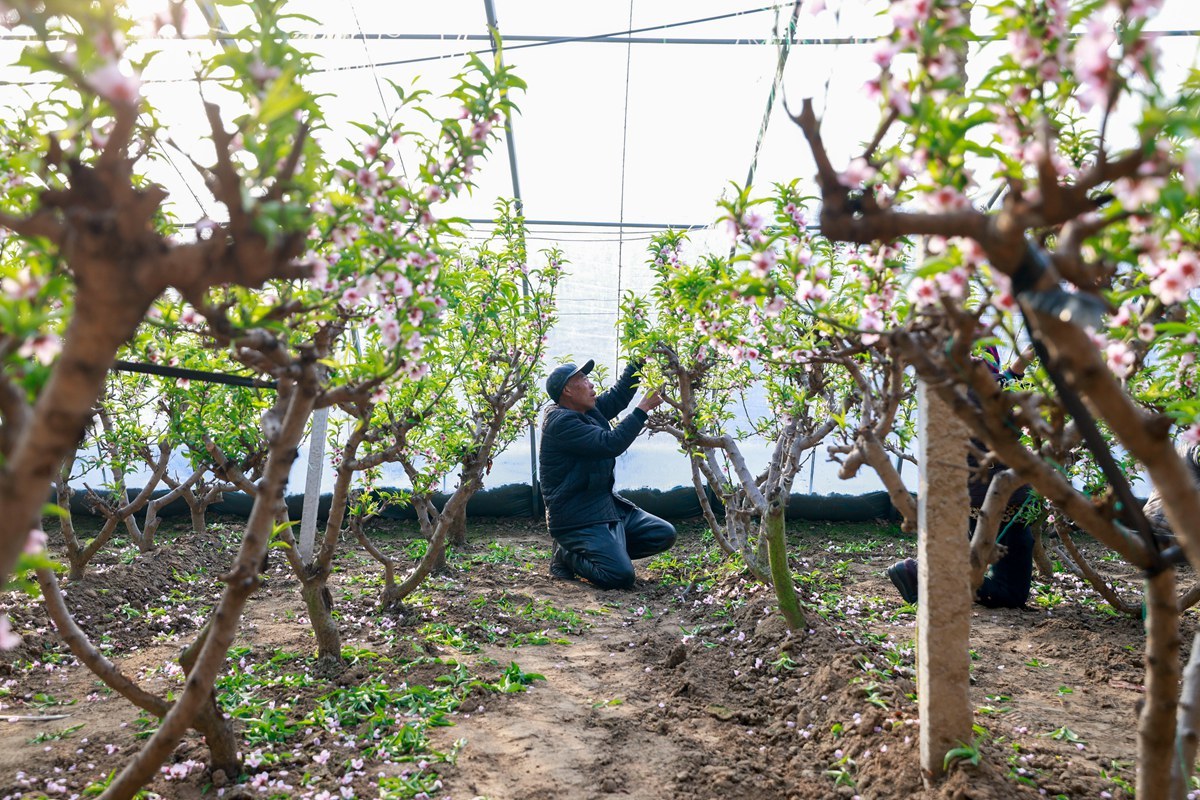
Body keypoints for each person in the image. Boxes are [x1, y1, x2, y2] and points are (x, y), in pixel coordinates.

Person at [887, 345, 1036, 609]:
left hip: (971, 496)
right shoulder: (992, 389)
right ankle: (921, 573)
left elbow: (1012, 373)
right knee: (1012, 591)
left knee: (977, 558)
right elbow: (1009, 378)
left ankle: (924, 573)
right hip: (1003, 498)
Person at [538, 358, 676, 589]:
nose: (591, 384)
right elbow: (610, 444)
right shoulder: (561, 422)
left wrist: (638, 363)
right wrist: (642, 410)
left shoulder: (586, 410)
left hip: (603, 507)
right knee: (620, 576)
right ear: (567, 390)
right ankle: (567, 554)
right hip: (576, 516)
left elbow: (619, 395)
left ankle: (607, 550)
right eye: (582, 378)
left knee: (662, 534)